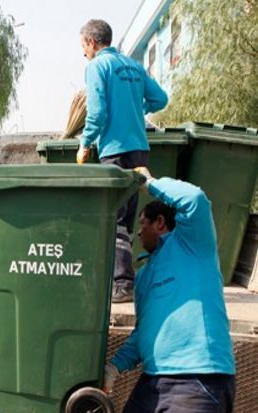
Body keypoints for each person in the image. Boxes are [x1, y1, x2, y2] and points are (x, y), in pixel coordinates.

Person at [102, 167, 235, 413]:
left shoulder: (193, 245)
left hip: (198, 382)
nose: (136, 234)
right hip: (153, 382)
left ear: (160, 223)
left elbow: (195, 199)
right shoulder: (145, 275)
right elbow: (143, 333)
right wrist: (113, 368)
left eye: (142, 224)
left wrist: (149, 184)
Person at [77, 19, 168, 303]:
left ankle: (122, 284)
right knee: (126, 220)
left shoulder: (96, 67)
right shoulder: (133, 66)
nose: (83, 53)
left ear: (92, 42)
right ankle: (123, 280)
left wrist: (85, 143)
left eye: (83, 46)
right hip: (139, 150)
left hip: (114, 150)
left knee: (113, 218)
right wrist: (136, 107)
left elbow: (98, 112)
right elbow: (161, 99)